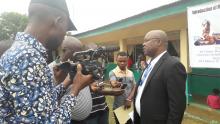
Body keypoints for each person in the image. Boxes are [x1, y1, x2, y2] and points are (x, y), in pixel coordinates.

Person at [0, 0, 93, 123]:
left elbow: (41, 104)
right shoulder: (28, 57)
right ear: (58, 21)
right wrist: (76, 88)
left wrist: (67, 82)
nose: (64, 35)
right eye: (65, 30)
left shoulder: (21, 51)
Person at [133, 30, 187, 124]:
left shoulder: (173, 66)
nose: (143, 44)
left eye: (146, 41)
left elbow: (177, 106)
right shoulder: (150, 63)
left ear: (158, 42)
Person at [50, 36, 93, 124]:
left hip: (85, 120)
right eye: (76, 53)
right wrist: (59, 82)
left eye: (81, 53)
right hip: (65, 120)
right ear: (64, 50)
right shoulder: (51, 69)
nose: (80, 57)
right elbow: (49, 101)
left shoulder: (79, 66)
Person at [109, 51, 137, 123]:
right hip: (119, 107)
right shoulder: (113, 72)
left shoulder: (131, 73)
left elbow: (134, 87)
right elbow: (113, 83)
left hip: (130, 106)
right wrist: (115, 84)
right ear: (116, 60)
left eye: (124, 61)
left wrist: (129, 99)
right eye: (120, 61)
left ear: (127, 60)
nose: (122, 63)